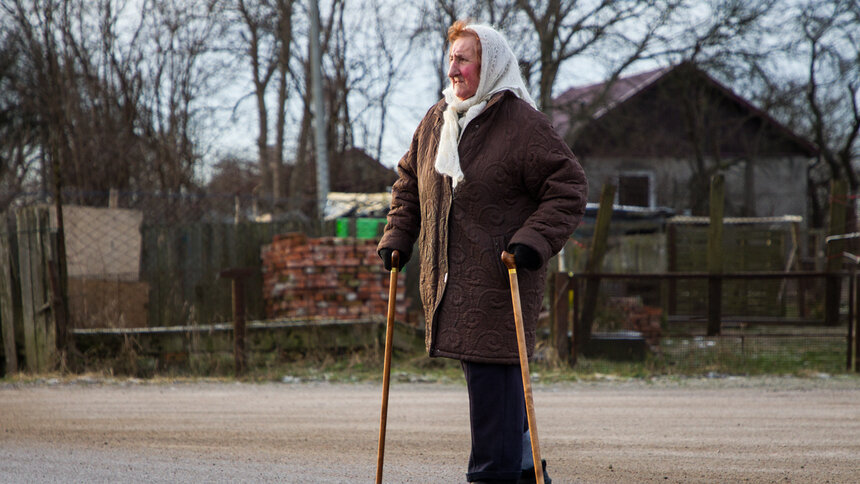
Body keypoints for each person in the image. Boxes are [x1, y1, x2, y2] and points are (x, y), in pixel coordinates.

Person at [378, 20, 587, 484]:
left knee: (496, 412)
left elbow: (568, 187)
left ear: (489, 64)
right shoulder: (438, 119)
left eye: (465, 58)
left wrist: (532, 241)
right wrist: (398, 236)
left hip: (500, 283)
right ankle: (530, 474)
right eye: (451, 57)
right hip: (452, 284)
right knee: (505, 409)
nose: (454, 68)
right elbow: (410, 182)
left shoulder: (521, 124)